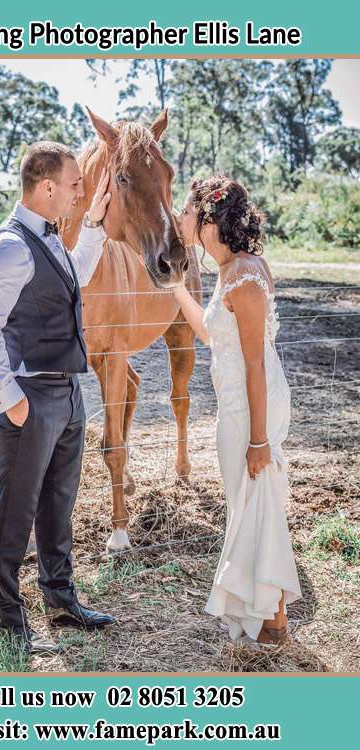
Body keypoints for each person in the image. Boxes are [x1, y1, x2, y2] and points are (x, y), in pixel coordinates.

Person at [0, 141, 116, 655]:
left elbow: (73, 275)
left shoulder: (51, 238)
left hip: (67, 391)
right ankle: (8, 623)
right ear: (48, 187)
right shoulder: (9, 246)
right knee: (15, 511)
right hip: (30, 395)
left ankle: (60, 598)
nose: (80, 192)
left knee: (59, 504)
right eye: (76, 184)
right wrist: (10, 400)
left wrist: (94, 225)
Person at [173, 175, 302, 645]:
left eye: (185, 211)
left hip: (253, 407)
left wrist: (259, 440)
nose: (179, 218)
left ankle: (274, 621)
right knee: (249, 505)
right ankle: (266, 614)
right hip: (237, 404)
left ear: (207, 219)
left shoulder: (246, 276)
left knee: (256, 502)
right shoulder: (230, 268)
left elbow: (255, 363)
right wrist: (174, 288)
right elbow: (212, 335)